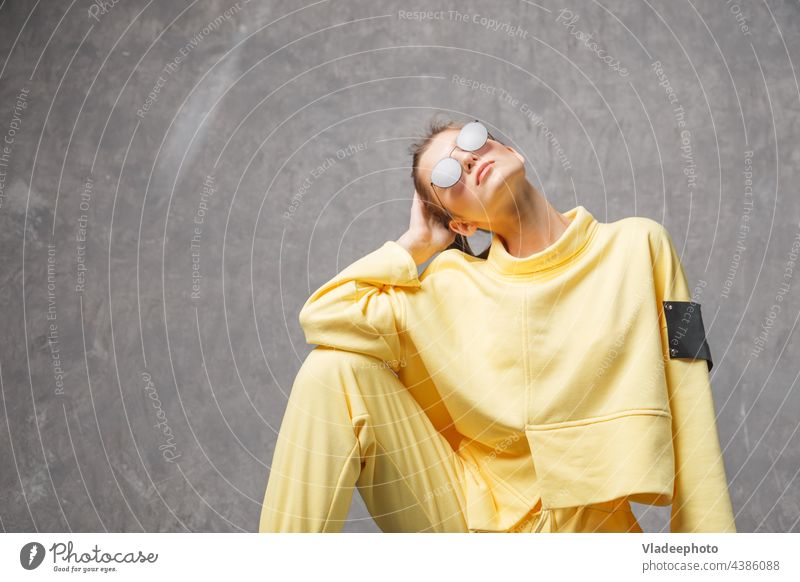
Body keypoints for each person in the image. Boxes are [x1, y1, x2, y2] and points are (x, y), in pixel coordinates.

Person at [258, 117, 737, 533]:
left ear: (510, 150)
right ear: (460, 225)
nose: (466, 161)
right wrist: (416, 245)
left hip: (590, 540)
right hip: (469, 523)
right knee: (333, 373)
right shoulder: (449, 286)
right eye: (447, 175)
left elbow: (689, 389)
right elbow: (323, 315)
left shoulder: (639, 247)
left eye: (471, 141)